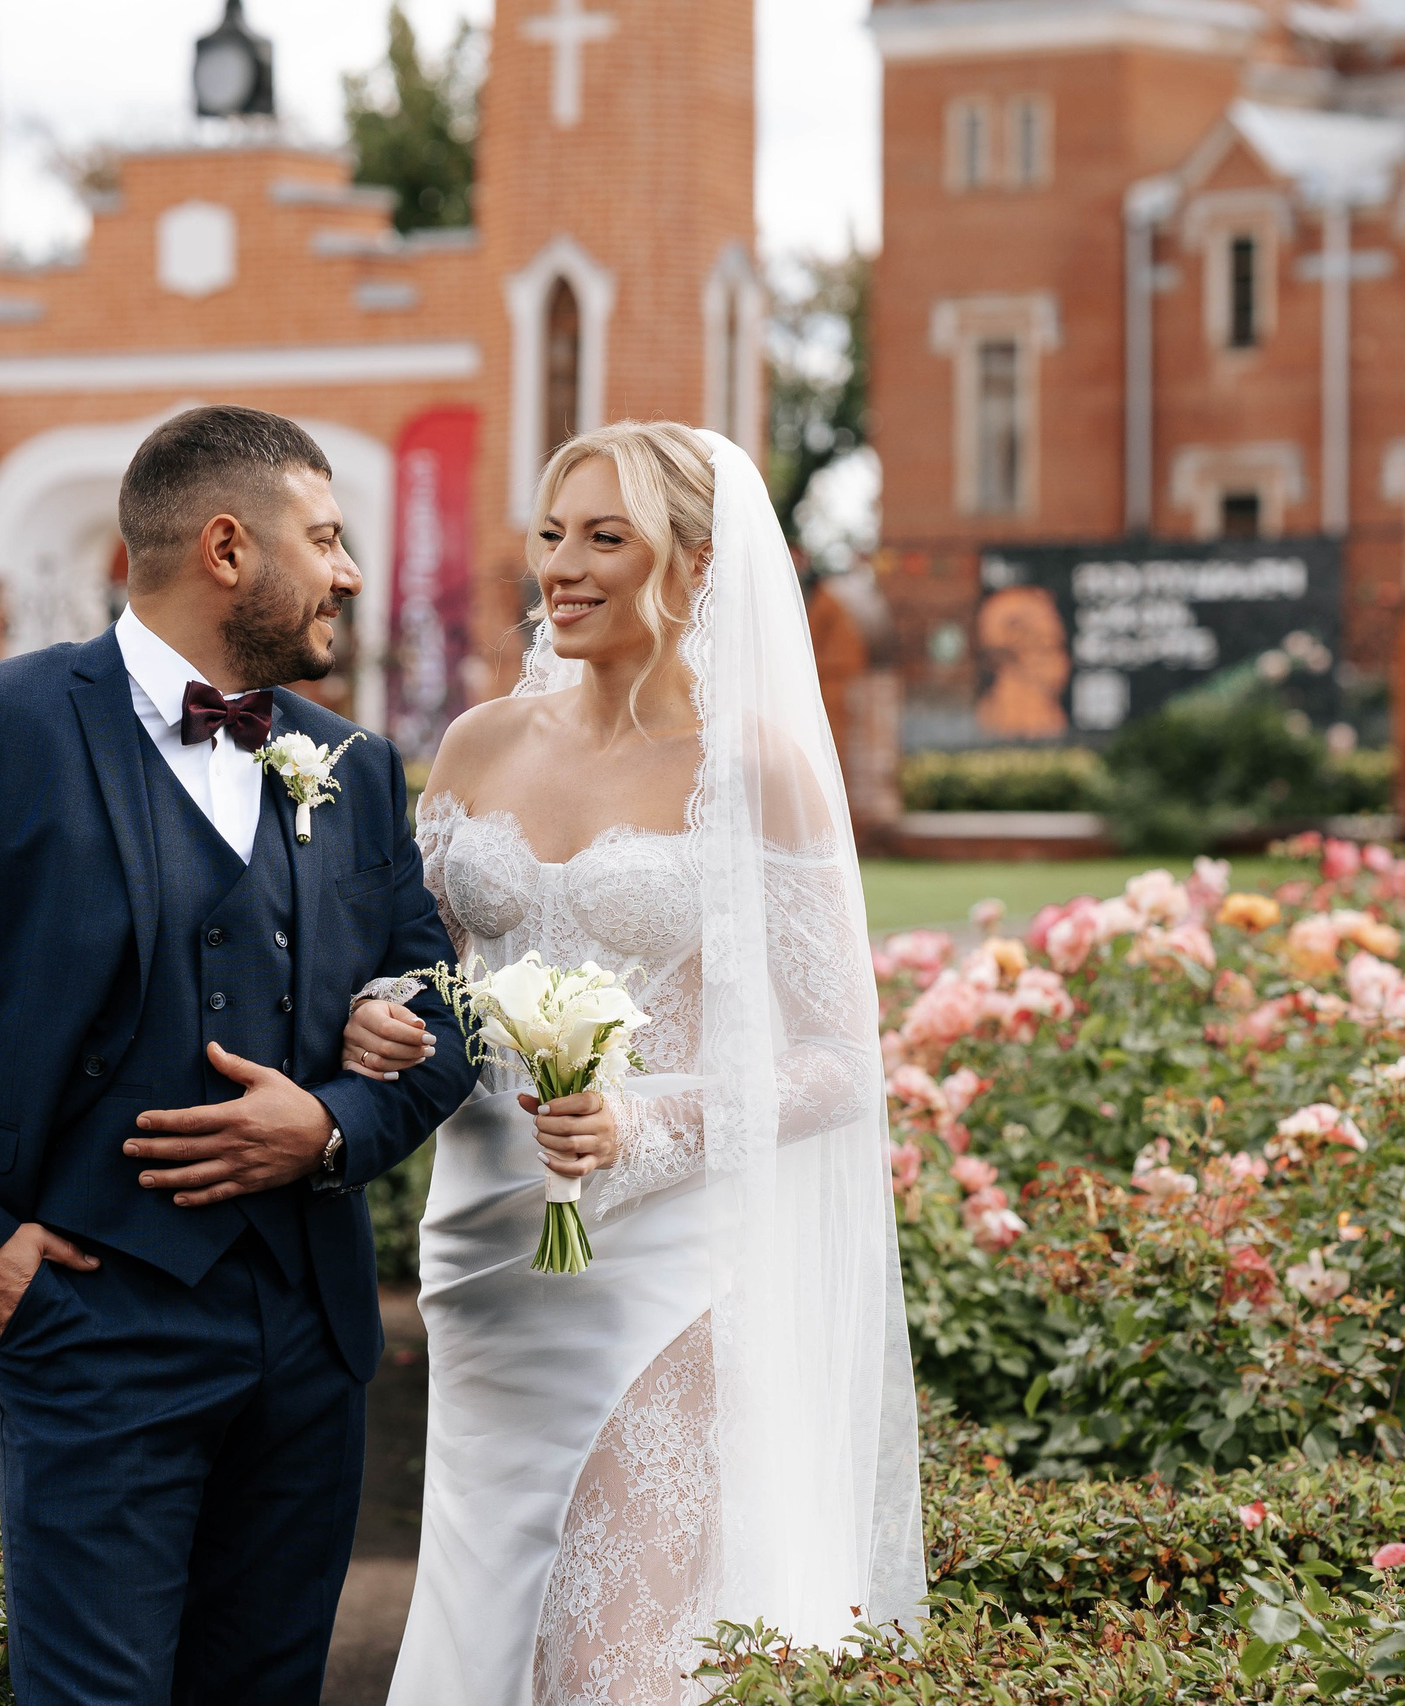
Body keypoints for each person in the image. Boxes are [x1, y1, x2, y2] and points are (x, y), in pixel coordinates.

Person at [0, 405, 477, 1706]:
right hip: (90, 1318)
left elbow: (447, 1009)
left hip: (311, 1335)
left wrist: (333, 1124)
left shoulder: (355, 764)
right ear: (226, 547)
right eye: (326, 538)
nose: (349, 572)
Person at [343, 422, 924, 1704]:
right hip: (488, 1248)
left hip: (661, 1257)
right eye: (553, 533)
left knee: (616, 1656)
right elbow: (422, 971)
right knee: (488, 1617)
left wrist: (646, 1121)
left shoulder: (754, 769)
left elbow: (839, 1056)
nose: (563, 565)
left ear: (697, 562)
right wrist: (379, 1016)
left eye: (606, 536)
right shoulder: (478, 744)